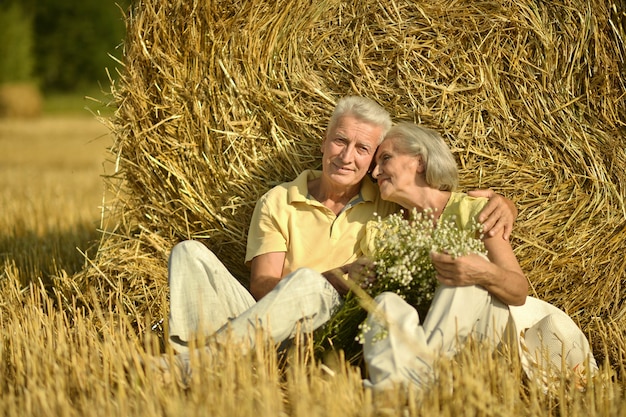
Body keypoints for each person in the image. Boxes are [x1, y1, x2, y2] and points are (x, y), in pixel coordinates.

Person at [163, 97, 517, 373]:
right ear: (324, 142)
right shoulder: (279, 200)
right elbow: (261, 286)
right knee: (189, 253)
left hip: (328, 334)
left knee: (308, 283)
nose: (348, 157)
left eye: (364, 150)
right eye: (340, 141)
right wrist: (329, 279)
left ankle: (199, 365)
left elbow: (435, 202)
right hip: (263, 323)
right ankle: (195, 365)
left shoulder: (386, 200)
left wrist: (504, 203)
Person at [355, 122, 598, 391]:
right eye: (373, 167)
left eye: (385, 159)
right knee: (385, 303)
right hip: (437, 341)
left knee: (463, 272)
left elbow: (518, 290)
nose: (375, 173)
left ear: (420, 162)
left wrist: (480, 271)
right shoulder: (387, 232)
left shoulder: (476, 209)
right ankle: (400, 390)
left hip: (491, 334)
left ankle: (415, 377)